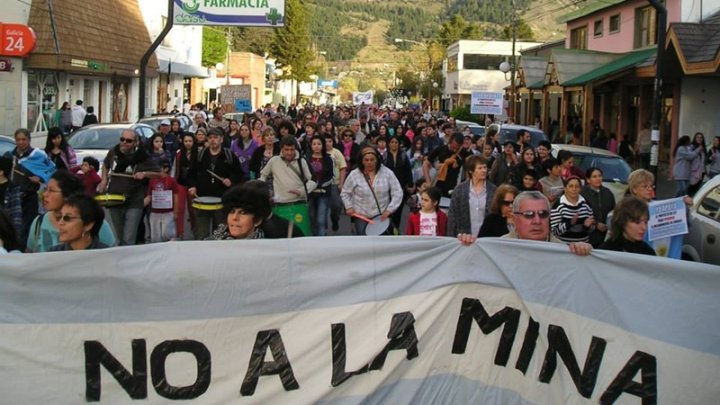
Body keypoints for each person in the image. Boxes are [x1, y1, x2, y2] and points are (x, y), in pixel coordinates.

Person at [458, 191, 593, 256]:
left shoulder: (566, 252)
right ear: (515, 219)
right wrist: (466, 248)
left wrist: (583, 255)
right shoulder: (497, 249)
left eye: (543, 214)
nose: (537, 221)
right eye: (529, 215)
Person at [97, 129, 161, 245]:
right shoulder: (114, 152)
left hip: (134, 201)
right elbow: (105, 166)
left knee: (129, 239)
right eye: (122, 139)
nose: (124, 143)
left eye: (128, 141)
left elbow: (160, 173)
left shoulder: (142, 156)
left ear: (135, 143)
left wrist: (144, 174)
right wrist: (104, 180)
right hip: (114, 200)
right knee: (120, 237)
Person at [25, 169, 113, 251]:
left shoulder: (96, 223)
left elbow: (111, 255)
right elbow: (30, 257)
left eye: (51, 190)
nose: (45, 194)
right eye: (46, 189)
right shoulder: (38, 222)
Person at [188, 127, 243, 240]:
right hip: (202, 200)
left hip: (222, 201)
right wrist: (192, 186)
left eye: (215, 137)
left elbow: (239, 174)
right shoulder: (200, 155)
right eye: (210, 138)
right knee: (201, 235)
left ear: (221, 139)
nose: (213, 140)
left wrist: (231, 180)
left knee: (220, 234)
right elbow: (191, 174)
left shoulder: (229, 155)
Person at [260, 135, 317, 236]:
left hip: (299, 205)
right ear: (282, 148)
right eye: (286, 149)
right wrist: (262, 190)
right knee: (280, 237)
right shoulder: (274, 161)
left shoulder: (301, 161)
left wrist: (301, 191)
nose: (289, 152)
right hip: (279, 205)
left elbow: (313, 181)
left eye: (292, 149)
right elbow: (263, 176)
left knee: (301, 236)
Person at [11, 128, 56, 251]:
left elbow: (52, 170)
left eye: (23, 139)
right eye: (18, 139)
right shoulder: (11, 156)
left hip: (30, 197)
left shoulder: (38, 155)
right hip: (14, 198)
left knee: (28, 228)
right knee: (13, 228)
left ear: (29, 140)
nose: (21, 142)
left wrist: (41, 178)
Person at [341, 146, 403, 235]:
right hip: (361, 216)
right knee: (364, 243)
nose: (369, 162)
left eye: (372, 159)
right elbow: (345, 192)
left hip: (381, 217)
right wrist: (348, 206)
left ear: (377, 160)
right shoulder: (354, 174)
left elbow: (398, 192)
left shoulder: (387, 173)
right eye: (366, 160)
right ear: (362, 161)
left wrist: (389, 210)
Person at [446, 155, 497, 237]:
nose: (484, 170)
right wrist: (450, 237)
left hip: (487, 238)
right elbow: (452, 217)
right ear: (471, 171)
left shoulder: (493, 190)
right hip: (463, 237)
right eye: (480, 168)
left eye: (485, 167)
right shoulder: (459, 190)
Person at [205, 182, 274, 240]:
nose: (234, 217)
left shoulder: (269, 248)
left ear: (258, 220)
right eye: (232, 211)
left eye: (242, 213)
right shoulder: (210, 243)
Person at [144, 158, 180, 242]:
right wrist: (139, 205)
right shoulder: (152, 180)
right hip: (154, 213)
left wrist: (175, 212)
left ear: (166, 169)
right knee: (155, 237)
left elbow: (176, 196)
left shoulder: (172, 181)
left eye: (158, 167)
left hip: (168, 212)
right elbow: (149, 196)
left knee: (167, 234)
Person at [550, 176, 595, 243]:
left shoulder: (586, 204)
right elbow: (554, 231)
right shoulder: (558, 205)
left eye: (577, 186)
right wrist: (570, 223)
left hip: (582, 245)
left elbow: (592, 229)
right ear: (565, 189)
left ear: (580, 189)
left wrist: (587, 227)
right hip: (563, 246)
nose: (574, 189)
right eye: (571, 186)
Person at [424, 133, 470, 198]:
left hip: (454, 187)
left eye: (457, 148)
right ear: (450, 141)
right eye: (453, 147)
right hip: (437, 183)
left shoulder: (464, 154)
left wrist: (466, 184)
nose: (454, 150)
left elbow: (469, 169)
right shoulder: (441, 149)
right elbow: (426, 164)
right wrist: (428, 181)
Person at [305, 136, 334, 236]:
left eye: (319, 144)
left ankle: (321, 239)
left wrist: (320, 184)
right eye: (314, 144)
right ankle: (315, 239)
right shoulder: (306, 159)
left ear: (322, 145)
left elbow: (330, 176)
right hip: (310, 193)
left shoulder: (328, 159)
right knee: (312, 218)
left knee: (320, 220)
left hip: (324, 193)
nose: (316, 146)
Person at [384, 136, 413, 230]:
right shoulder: (384, 155)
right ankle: (387, 229)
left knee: (398, 210)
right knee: (387, 209)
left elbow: (408, 170)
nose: (394, 144)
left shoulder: (403, 155)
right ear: (388, 143)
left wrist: (410, 184)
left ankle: (395, 229)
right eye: (392, 142)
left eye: (396, 142)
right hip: (387, 187)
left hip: (401, 186)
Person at [581, 167, 615, 247]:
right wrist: (596, 224)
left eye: (599, 176)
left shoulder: (608, 193)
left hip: (605, 234)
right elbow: (581, 214)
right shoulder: (583, 193)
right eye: (594, 176)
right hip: (588, 234)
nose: (598, 179)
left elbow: (613, 211)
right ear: (588, 180)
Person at [324, 134, 347, 232]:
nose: (328, 144)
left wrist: (341, 183)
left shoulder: (337, 153)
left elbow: (343, 168)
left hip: (334, 184)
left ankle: (335, 220)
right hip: (323, 184)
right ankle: (323, 227)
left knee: (336, 205)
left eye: (330, 141)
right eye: (325, 142)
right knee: (322, 207)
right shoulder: (320, 153)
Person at [688, 132, 707, 196]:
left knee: (697, 190)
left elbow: (703, 161)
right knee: (690, 189)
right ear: (695, 138)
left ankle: (693, 203)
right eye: (698, 137)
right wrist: (699, 149)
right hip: (693, 172)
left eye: (701, 137)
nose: (699, 139)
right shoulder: (691, 147)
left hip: (701, 172)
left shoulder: (703, 148)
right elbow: (690, 157)